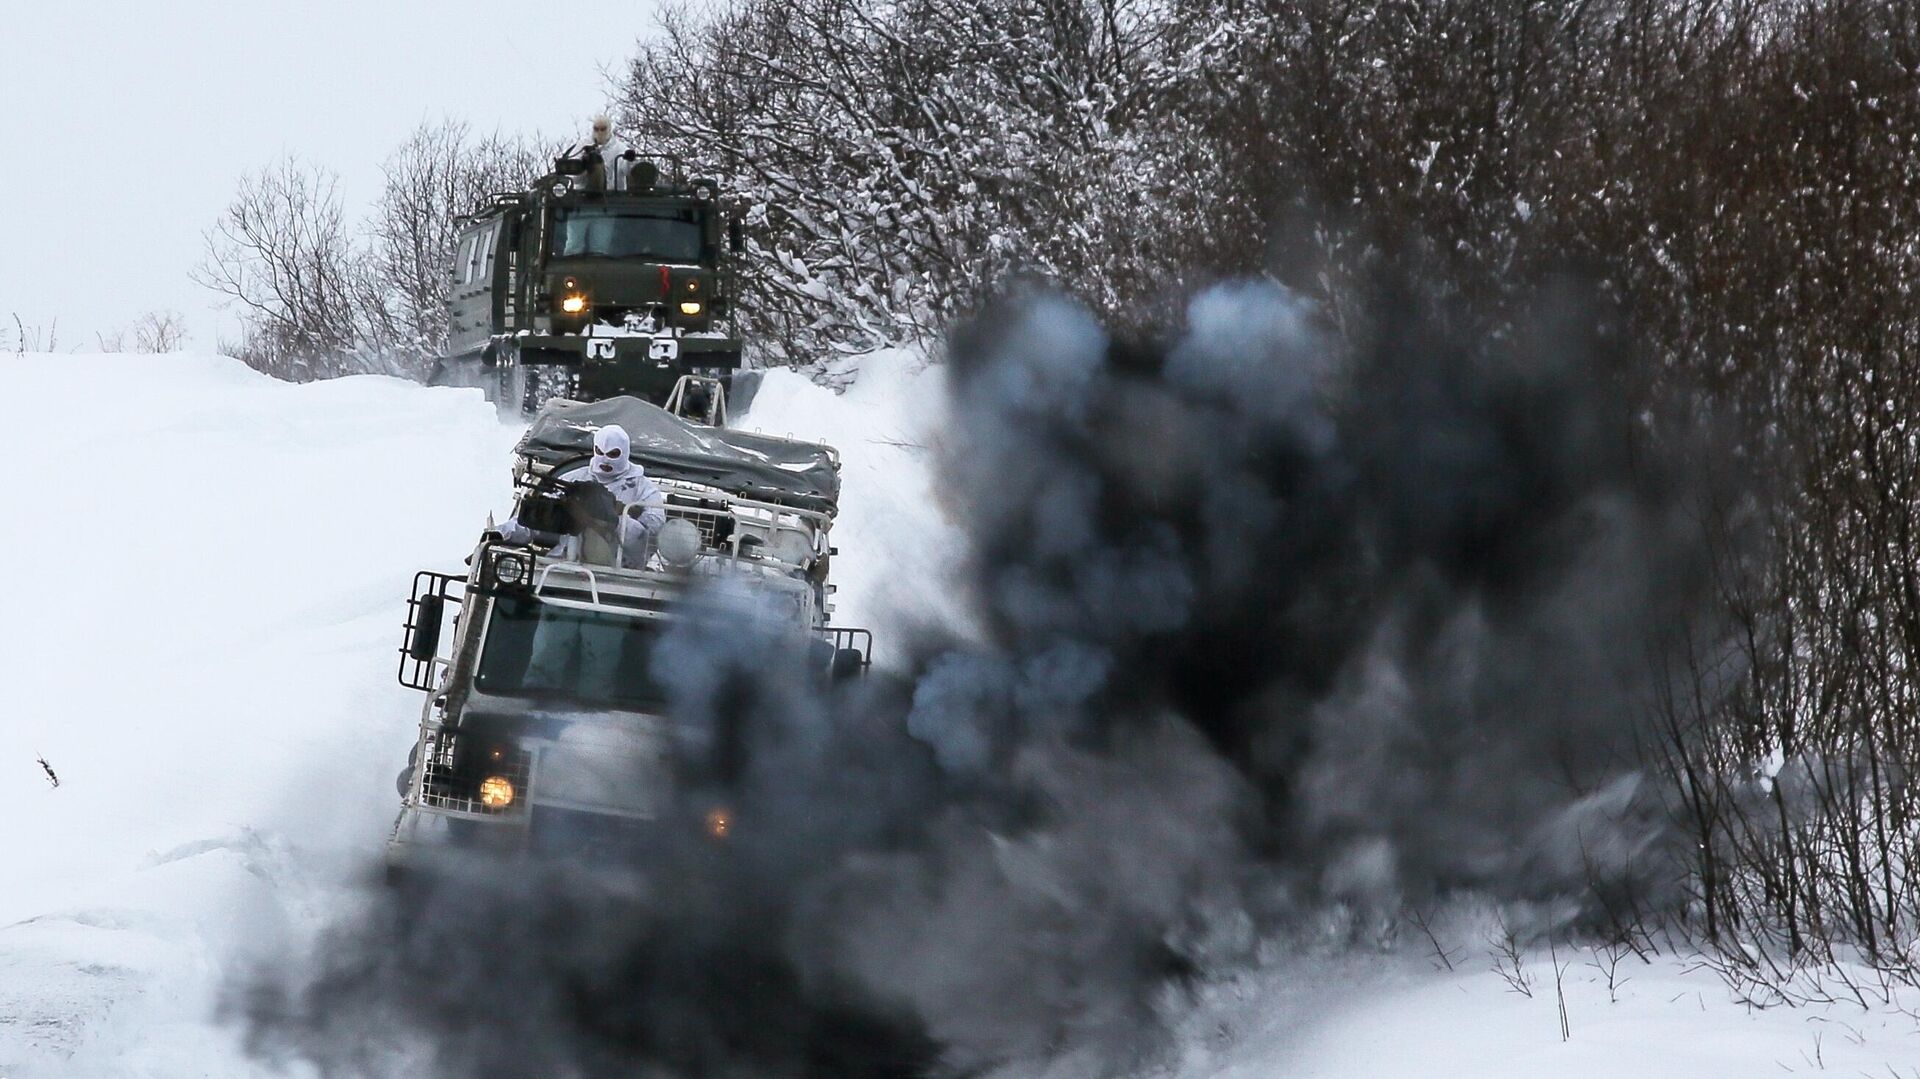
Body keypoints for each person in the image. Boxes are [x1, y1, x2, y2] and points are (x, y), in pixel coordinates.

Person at [500, 424, 667, 570]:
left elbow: (651, 538)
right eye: (600, 452)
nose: (605, 460)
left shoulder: (643, 489)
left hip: (620, 572)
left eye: (613, 454)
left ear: (624, 452)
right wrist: (501, 534)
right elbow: (532, 521)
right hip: (564, 565)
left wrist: (614, 518)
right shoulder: (572, 479)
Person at [577, 115, 633, 192]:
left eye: (603, 129)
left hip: (613, 196)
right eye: (596, 129)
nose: (599, 132)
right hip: (585, 194)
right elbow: (574, 175)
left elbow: (627, 170)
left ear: (609, 129)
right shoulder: (582, 145)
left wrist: (629, 160)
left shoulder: (619, 148)